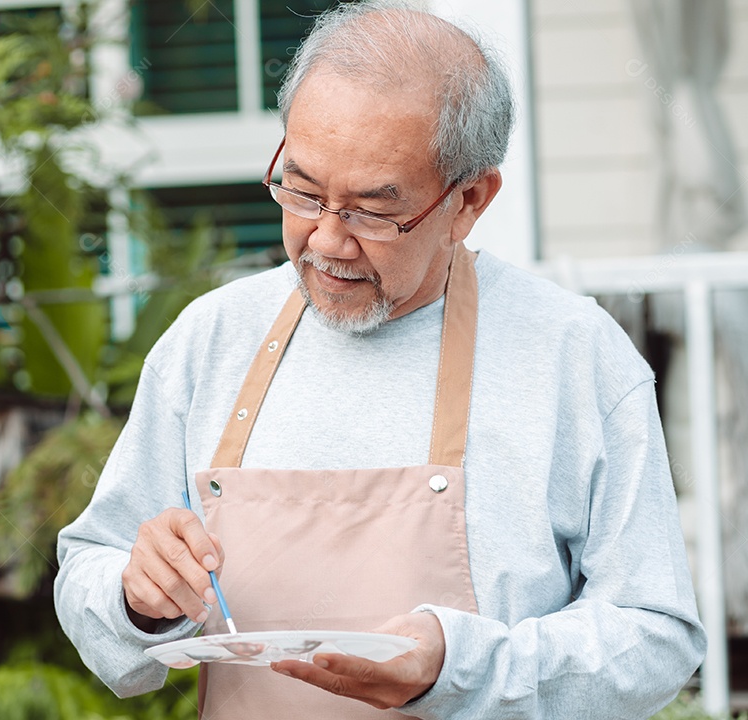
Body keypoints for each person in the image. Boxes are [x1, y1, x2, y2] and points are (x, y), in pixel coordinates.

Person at [54, 1, 707, 717]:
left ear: (469, 201)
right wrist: (135, 598)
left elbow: (655, 638)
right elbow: (91, 564)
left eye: (372, 209)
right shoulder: (211, 339)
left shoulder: (574, 355)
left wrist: (460, 669)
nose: (327, 241)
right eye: (302, 191)